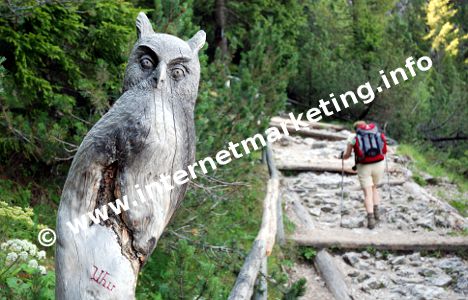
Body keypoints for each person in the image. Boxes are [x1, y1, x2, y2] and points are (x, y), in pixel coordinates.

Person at [340, 121, 387, 229]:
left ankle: (370, 220)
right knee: (374, 188)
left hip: (364, 166)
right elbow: (384, 151)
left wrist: (340, 156)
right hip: (379, 164)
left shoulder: (353, 137)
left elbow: (347, 155)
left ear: (355, 129)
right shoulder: (377, 133)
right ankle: (377, 214)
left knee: (367, 193)